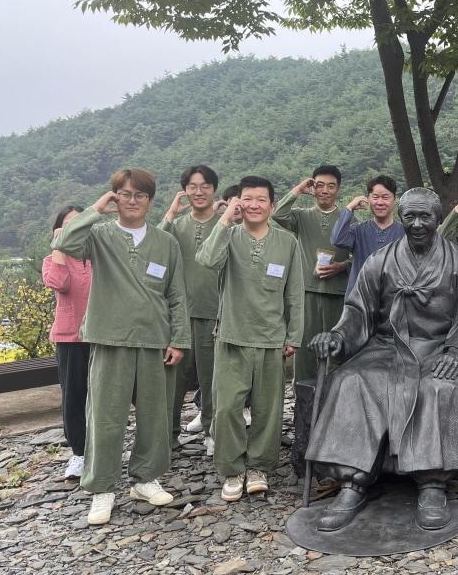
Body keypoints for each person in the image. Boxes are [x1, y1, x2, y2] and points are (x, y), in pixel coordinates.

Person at [308, 188, 458, 532]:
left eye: (425, 217)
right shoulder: (380, 260)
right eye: (410, 216)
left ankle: (432, 483)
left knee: (439, 386)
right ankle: (352, 482)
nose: (418, 224)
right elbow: (358, 310)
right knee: (352, 380)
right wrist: (338, 336)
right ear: (401, 218)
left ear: (437, 219)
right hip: (386, 347)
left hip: (436, 347)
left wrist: (456, 351)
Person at [52, 168, 190, 526]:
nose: (131, 201)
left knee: (154, 415)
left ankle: (145, 479)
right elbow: (63, 242)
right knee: (106, 417)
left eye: (139, 195)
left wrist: (179, 338)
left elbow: (176, 294)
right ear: (115, 197)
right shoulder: (99, 235)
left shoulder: (165, 242)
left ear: (150, 200)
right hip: (109, 338)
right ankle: (102, 487)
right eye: (124, 194)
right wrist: (97, 209)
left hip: (154, 340)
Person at [197, 176, 305, 501]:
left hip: (272, 339)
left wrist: (294, 335)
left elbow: (295, 294)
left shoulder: (287, 242)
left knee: (267, 409)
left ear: (272, 205)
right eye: (248, 198)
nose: (254, 204)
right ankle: (232, 470)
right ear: (238, 202)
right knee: (227, 407)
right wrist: (225, 219)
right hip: (232, 337)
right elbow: (206, 259)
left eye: (261, 199)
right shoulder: (228, 237)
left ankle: (259, 466)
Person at [160, 164, 222, 451]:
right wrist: (171, 212)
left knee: (212, 378)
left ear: (214, 189)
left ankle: (211, 430)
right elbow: (155, 246)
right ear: (184, 191)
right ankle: (169, 434)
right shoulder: (177, 225)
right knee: (173, 379)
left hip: (215, 311)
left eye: (205, 186)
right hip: (179, 313)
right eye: (193, 186)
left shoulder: (226, 225)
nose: (199, 191)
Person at [272, 166, 351, 382]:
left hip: (338, 294)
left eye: (331, 186)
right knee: (306, 351)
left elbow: (361, 253)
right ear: (313, 188)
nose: (325, 190)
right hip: (307, 292)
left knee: (338, 349)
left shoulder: (347, 218)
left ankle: (337, 404)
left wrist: (342, 265)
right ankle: (303, 408)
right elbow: (278, 214)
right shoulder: (301, 216)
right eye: (320, 185)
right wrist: (298, 190)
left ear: (338, 189)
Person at [42, 205, 92, 479]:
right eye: (68, 225)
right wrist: (60, 246)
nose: (75, 229)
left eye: (79, 224)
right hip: (70, 338)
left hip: (101, 335)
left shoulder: (96, 256)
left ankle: (103, 448)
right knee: (73, 396)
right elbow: (59, 283)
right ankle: (79, 453)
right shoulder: (53, 259)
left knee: (103, 396)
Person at [331, 174, 405, 292]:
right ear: (368, 199)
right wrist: (349, 208)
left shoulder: (405, 232)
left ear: (394, 200)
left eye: (385, 197)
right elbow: (337, 239)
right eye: (375, 197)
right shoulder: (358, 230)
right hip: (359, 300)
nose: (380, 202)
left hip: (393, 300)